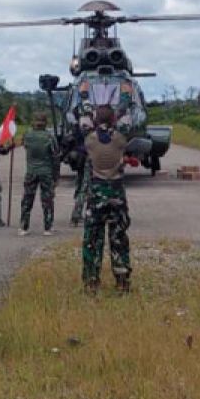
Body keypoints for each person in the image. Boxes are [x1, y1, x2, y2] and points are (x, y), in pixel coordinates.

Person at [82, 105, 132, 292]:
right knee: (118, 238)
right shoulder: (120, 138)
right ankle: (122, 282)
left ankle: (91, 282)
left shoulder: (89, 139)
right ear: (113, 120)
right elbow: (127, 119)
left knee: (92, 240)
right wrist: (125, 98)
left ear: (95, 120)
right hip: (117, 194)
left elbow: (84, 120)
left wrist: (86, 101)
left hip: (96, 194)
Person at [19, 111, 59, 236]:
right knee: (47, 200)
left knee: (27, 199)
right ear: (45, 123)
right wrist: (56, 176)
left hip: (31, 171)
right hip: (46, 172)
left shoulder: (27, 135)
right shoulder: (49, 137)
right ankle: (48, 227)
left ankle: (24, 227)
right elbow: (55, 157)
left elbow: (25, 147)